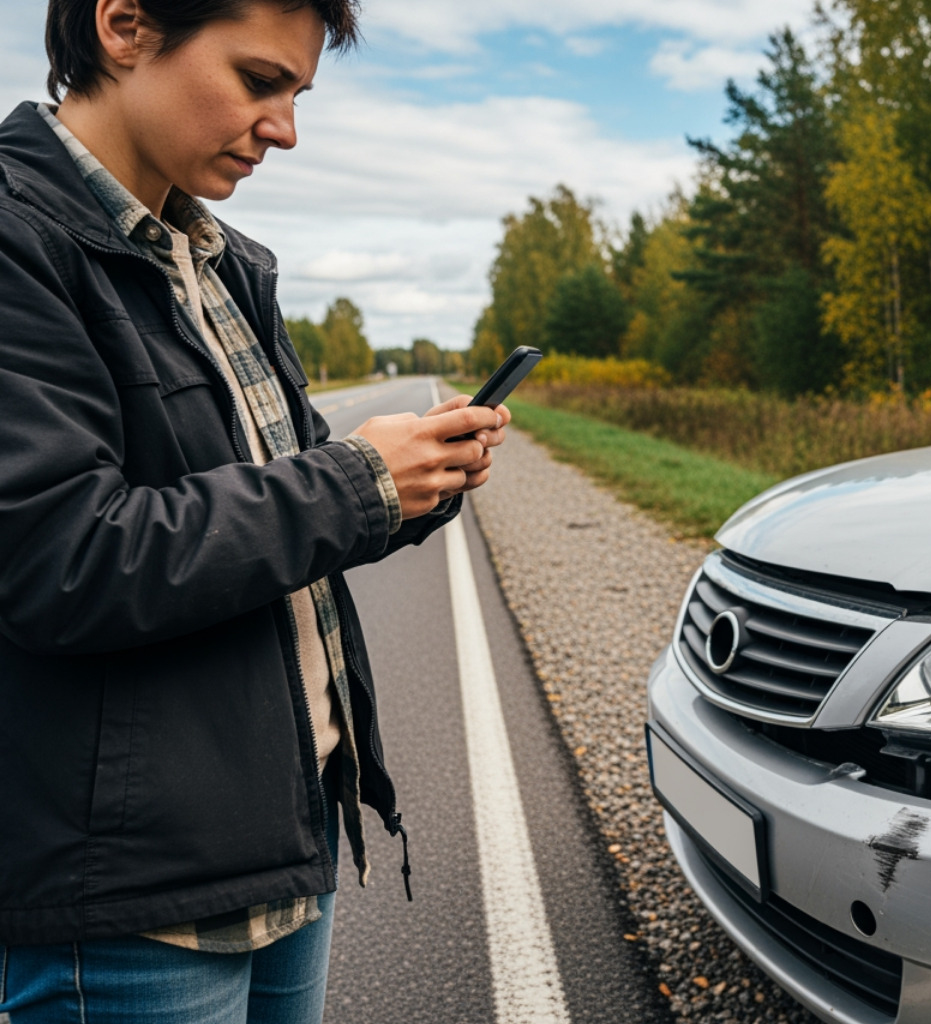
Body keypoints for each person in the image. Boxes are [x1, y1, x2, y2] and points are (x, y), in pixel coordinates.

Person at [0, 1, 512, 1020]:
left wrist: (413, 483)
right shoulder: (17, 238)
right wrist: (357, 481)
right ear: (124, 25)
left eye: (298, 93)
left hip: (286, 828)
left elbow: (276, 499)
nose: (285, 128)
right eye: (259, 80)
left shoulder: (224, 260)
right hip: (133, 898)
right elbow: (57, 555)